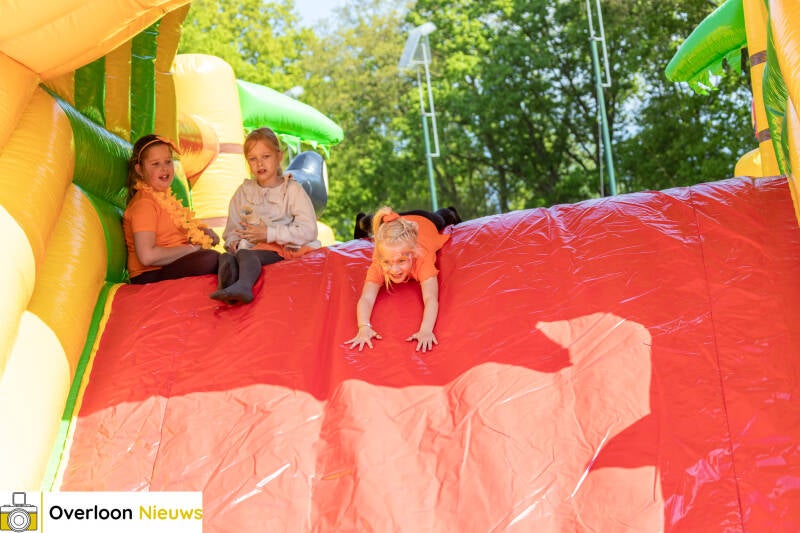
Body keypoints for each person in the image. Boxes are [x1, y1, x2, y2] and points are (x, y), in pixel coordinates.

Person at [210, 127, 320, 305]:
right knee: (225, 257)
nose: (259, 164)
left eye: (265, 157)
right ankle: (226, 288)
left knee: (247, 255)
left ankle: (244, 286)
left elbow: (308, 230)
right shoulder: (243, 192)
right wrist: (233, 242)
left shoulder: (290, 190)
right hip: (247, 249)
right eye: (253, 159)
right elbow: (232, 229)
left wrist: (269, 234)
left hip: (282, 250)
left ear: (279, 156)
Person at [345, 206, 452, 352]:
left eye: (401, 261)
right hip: (396, 224)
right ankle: (363, 220)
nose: (394, 270)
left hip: (424, 218)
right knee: (367, 222)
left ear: (412, 254)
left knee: (442, 218)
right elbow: (366, 298)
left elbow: (431, 299)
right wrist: (364, 327)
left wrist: (426, 330)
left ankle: (449, 211)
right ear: (380, 257)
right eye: (387, 262)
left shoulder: (422, 259)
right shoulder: (379, 263)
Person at [123, 134, 221, 285]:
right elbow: (147, 256)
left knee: (221, 258)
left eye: (168, 162)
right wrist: (193, 249)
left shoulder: (167, 200)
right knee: (211, 259)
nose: (164, 169)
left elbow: (174, 237)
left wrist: (203, 234)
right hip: (150, 274)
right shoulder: (144, 204)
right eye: (155, 164)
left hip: (171, 266)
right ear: (140, 170)